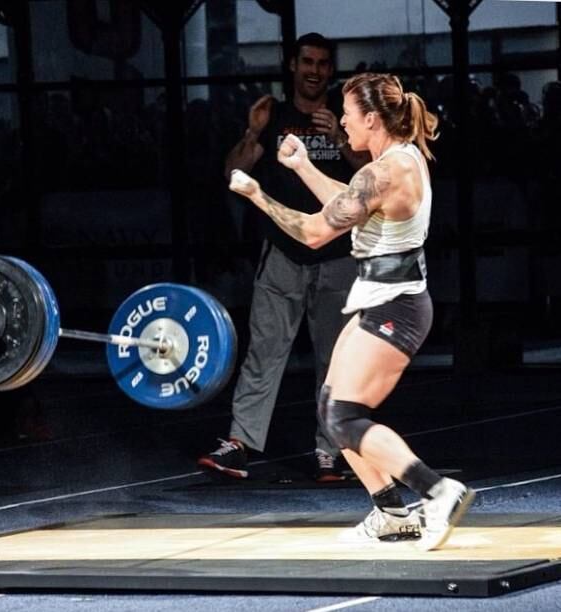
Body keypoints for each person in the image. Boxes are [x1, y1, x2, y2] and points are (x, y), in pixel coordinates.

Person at [226, 72, 474, 551]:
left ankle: (438, 492)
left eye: (348, 114)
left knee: (344, 414)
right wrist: (303, 166)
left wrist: (257, 195)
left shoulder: (385, 171)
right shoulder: (392, 164)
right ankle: (391, 513)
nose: (342, 121)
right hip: (380, 301)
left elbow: (316, 232)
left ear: (372, 119)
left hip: (396, 307)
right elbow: (350, 202)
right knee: (330, 408)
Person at [197, 33, 369, 482]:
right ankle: (239, 444)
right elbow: (233, 171)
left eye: (323, 63)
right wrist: (254, 131)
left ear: (331, 70)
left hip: (338, 254)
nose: (315, 70)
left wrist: (340, 138)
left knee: (335, 359)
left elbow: (372, 178)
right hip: (283, 253)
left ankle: (331, 451)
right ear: (292, 65)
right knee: (264, 352)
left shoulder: (346, 116)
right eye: (307, 62)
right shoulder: (273, 115)